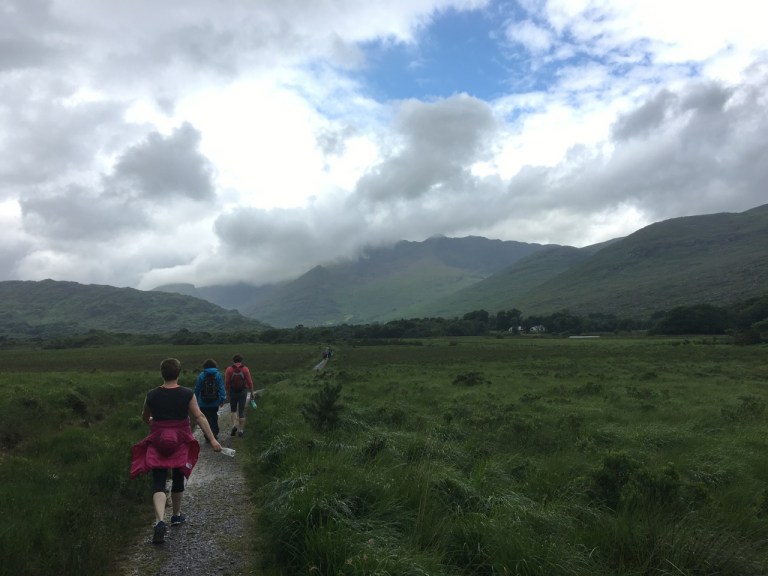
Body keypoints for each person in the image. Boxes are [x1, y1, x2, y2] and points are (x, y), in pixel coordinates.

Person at [130, 358, 222, 544]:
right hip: (180, 439)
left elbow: (144, 416)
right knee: (179, 476)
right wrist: (212, 440)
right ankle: (177, 515)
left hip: (158, 439)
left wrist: (152, 423)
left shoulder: (152, 394)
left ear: (162, 373)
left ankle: (159, 521)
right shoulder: (187, 393)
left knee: (159, 480)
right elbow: (199, 416)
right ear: (178, 373)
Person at [194, 358, 226, 441]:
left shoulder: (201, 375)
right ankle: (214, 433)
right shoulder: (218, 375)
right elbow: (221, 388)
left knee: (206, 418)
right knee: (214, 416)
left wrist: (195, 400)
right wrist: (222, 399)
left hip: (203, 402)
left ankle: (207, 435)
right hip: (215, 402)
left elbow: (197, 389)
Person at [224, 354, 254, 438]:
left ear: (233, 361)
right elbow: (250, 382)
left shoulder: (229, 369)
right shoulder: (245, 369)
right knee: (241, 411)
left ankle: (234, 426)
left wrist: (227, 392)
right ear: (241, 361)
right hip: (243, 391)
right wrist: (252, 393)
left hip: (232, 391)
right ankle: (241, 430)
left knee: (233, 410)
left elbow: (226, 382)